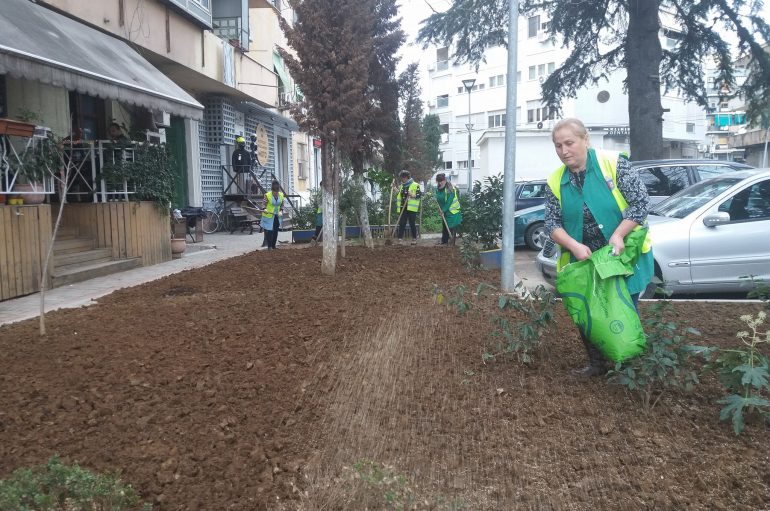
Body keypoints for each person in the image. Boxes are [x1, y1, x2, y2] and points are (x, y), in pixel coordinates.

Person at [544, 118, 653, 376]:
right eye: (558, 146)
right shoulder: (555, 181)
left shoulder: (613, 164)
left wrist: (618, 235)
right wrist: (574, 245)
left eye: (569, 143)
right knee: (587, 313)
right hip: (584, 260)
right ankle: (597, 365)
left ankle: (628, 372)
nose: (564, 151)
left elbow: (639, 204)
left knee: (621, 310)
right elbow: (552, 223)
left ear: (585, 139)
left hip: (621, 255)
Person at [434, 173, 462, 245]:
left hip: (453, 211)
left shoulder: (450, 189)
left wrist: (443, 210)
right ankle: (444, 241)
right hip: (445, 210)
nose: (440, 183)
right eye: (439, 181)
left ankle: (452, 243)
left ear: (445, 180)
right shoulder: (438, 189)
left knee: (451, 227)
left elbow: (449, 202)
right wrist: (440, 209)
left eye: (441, 181)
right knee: (445, 226)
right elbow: (439, 200)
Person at [396, 170, 422, 245]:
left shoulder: (415, 185)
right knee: (402, 223)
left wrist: (412, 195)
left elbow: (419, 195)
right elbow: (399, 194)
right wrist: (394, 188)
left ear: (406, 177)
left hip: (411, 208)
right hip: (403, 207)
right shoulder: (402, 186)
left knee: (412, 223)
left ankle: (414, 239)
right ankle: (400, 239)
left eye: (402, 178)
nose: (401, 179)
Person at [261, 180, 285, 250]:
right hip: (268, 216)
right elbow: (263, 204)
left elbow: (282, 205)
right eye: (275, 192)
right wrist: (264, 208)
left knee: (275, 230)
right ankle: (269, 246)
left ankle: (274, 246)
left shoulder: (281, 195)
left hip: (277, 216)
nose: (276, 193)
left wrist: (281, 211)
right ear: (272, 190)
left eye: (277, 192)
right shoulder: (267, 195)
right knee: (269, 231)